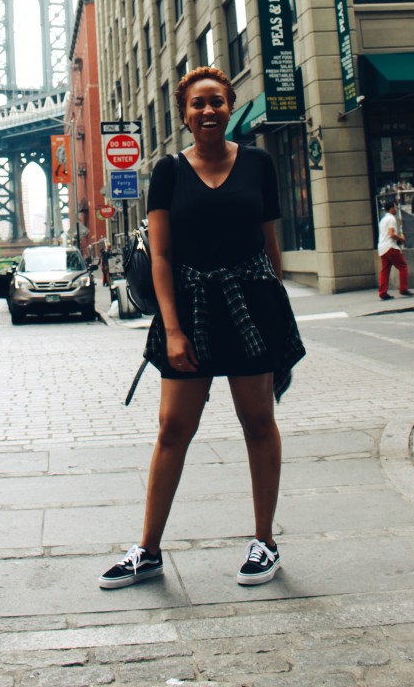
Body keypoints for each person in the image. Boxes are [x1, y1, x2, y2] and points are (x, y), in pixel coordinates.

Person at [99, 67, 306, 592]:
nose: (208, 110)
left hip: (250, 305)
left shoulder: (258, 163)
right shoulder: (168, 171)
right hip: (189, 309)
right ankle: (148, 551)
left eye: (217, 101)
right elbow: (161, 256)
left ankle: (265, 542)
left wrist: (277, 305)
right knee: (173, 428)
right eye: (198, 104)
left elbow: (270, 243)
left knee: (258, 421)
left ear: (230, 106)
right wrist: (172, 330)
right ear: (185, 115)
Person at [377, 199, 413, 300]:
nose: (396, 209)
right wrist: (401, 239)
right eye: (395, 207)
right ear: (391, 208)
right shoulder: (391, 219)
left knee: (385, 271)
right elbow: (391, 234)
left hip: (382, 248)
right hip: (390, 247)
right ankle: (403, 288)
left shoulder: (383, 220)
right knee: (403, 267)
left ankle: (383, 292)